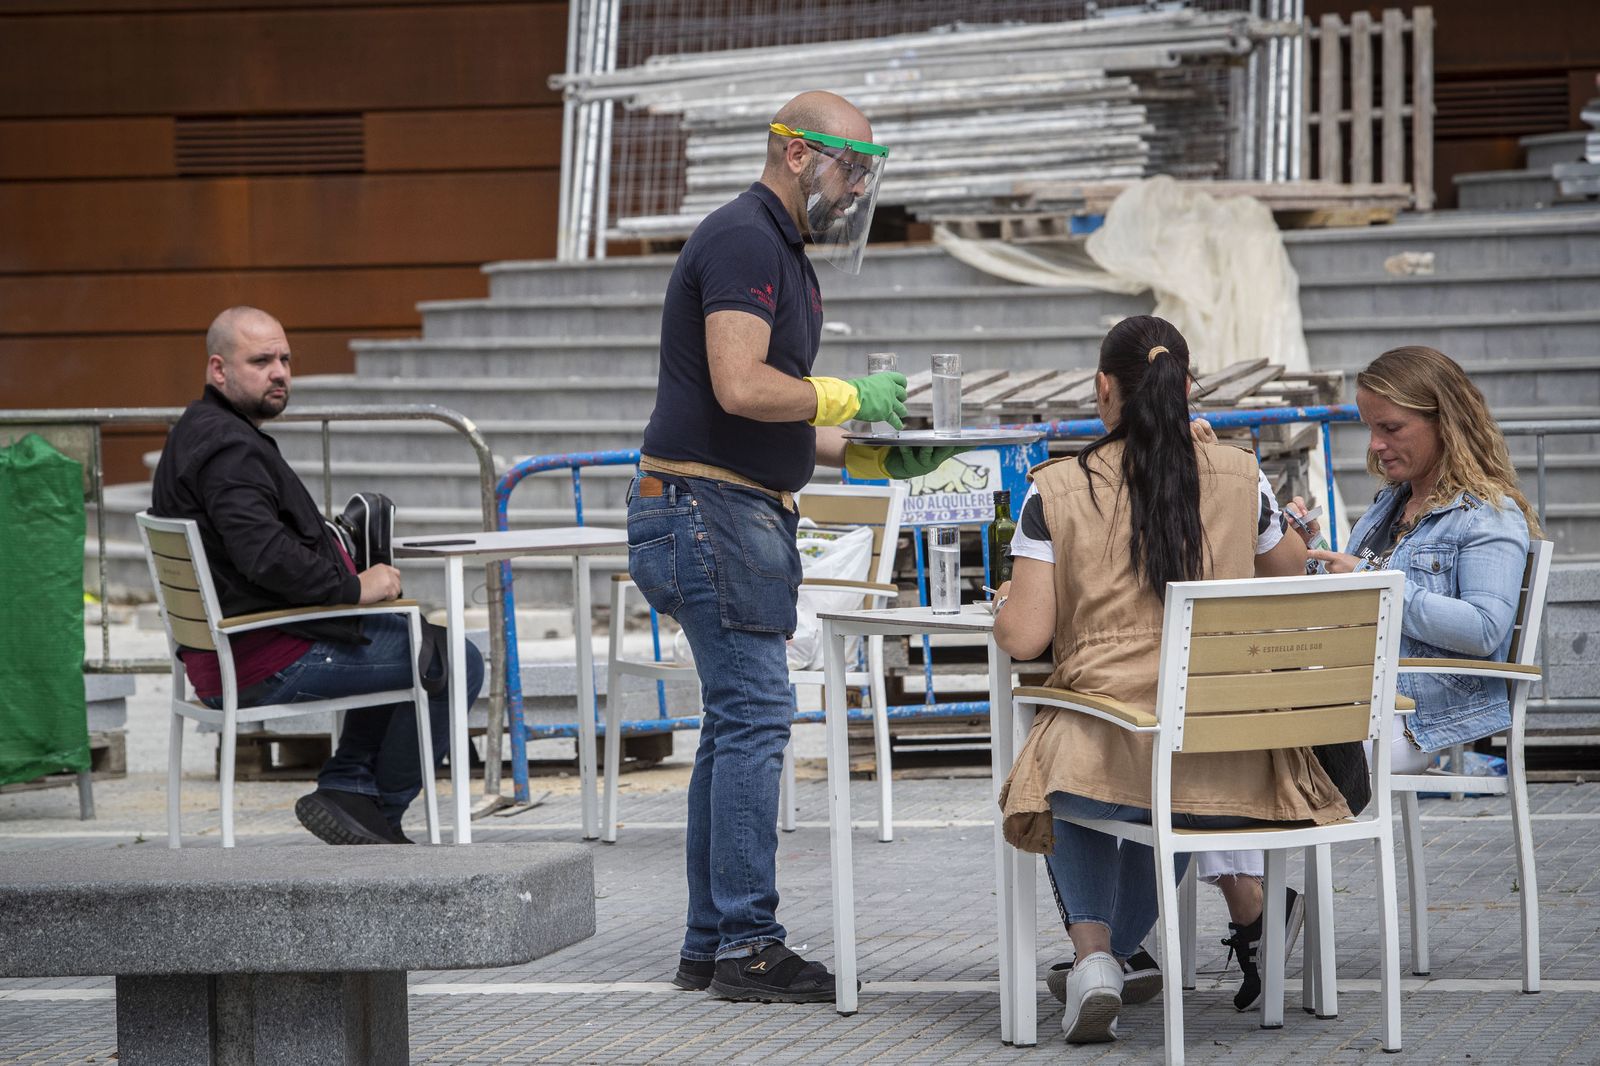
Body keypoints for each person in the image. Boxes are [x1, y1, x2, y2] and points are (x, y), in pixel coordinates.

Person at [628, 90, 963, 1004]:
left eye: (865, 169)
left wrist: (870, 451)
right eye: (849, 166)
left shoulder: (778, 249)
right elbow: (741, 386)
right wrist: (846, 398)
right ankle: (746, 944)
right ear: (794, 151)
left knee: (735, 723)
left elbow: (767, 410)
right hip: (711, 511)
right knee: (756, 719)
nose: (857, 187)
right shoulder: (745, 238)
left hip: (721, 504)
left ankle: (712, 942)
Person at [993, 315, 1348, 1043]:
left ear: (1103, 390)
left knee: (1072, 759)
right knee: (1151, 771)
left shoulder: (1055, 491)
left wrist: (1006, 608)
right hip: (1243, 771)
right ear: (1186, 390)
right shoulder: (1241, 477)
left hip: (1122, 761)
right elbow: (1285, 572)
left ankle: (1096, 959)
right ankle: (1114, 959)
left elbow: (1026, 637)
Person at [1201, 344, 1538, 965]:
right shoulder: (1391, 504)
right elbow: (1355, 597)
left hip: (1414, 716)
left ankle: (1247, 914)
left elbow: (1487, 628)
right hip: (1353, 697)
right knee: (1218, 728)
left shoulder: (1488, 516)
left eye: (1392, 427)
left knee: (1239, 746)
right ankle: (1255, 911)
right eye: (1370, 427)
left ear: (1447, 421)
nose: (1377, 445)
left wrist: (1377, 587)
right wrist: (1312, 554)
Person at [151, 306, 483, 845]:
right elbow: (265, 556)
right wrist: (355, 586)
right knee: (454, 662)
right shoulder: (229, 449)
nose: (279, 371)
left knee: (416, 641)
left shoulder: (199, 431)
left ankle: (350, 783)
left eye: (284, 358)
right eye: (260, 361)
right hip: (262, 659)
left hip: (233, 649)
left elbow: (252, 545)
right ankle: (379, 808)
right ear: (219, 370)